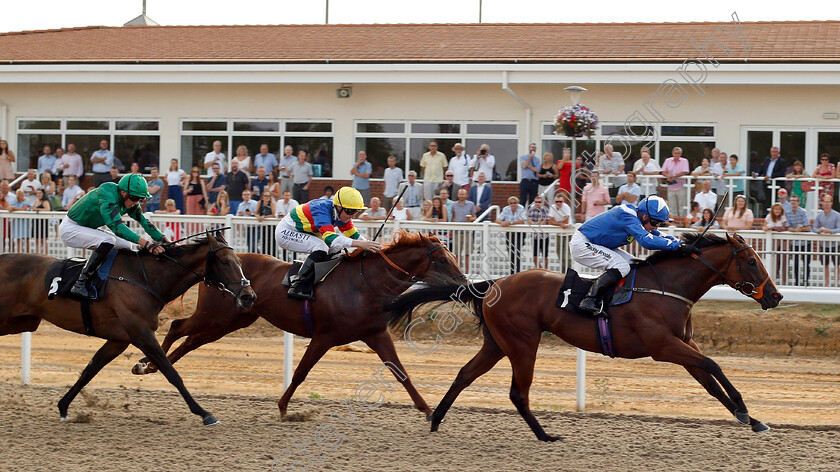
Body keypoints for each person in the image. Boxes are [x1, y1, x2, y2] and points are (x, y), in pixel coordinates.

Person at [570, 195, 695, 315]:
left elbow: (658, 235)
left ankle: (616, 297)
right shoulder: (627, 215)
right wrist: (678, 247)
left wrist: (681, 243)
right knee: (621, 266)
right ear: (645, 216)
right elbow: (647, 240)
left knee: (635, 264)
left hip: (598, 245)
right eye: (655, 222)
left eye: (660, 223)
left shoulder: (640, 219)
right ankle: (589, 300)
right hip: (583, 243)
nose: (656, 226)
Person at [58, 174, 166, 298]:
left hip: (86, 228)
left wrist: (163, 238)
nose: (137, 202)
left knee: (127, 245)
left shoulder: (129, 200)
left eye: (140, 199)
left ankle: (109, 278)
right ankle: (80, 283)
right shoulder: (107, 193)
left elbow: (144, 221)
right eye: (135, 198)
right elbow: (117, 227)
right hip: (70, 228)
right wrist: (147, 244)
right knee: (108, 240)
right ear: (124, 192)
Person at [275, 186, 381, 300]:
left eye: (356, 211)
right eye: (350, 211)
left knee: (334, 250)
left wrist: (374, 247)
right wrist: (361, 245)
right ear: (339, 207)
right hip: (287, 232)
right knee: (321, 246)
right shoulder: (321, 209)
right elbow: (332, 240)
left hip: (307, 232)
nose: (352, 216)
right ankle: (298, 285)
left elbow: (355, 236)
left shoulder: (342, 214)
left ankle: (320, 279)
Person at [495, 196, 526, 275]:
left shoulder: (521, 208)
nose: (513, 204)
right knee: (510, 252)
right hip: (510, 233)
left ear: (517, 203)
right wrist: (502, 222)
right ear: (509, 204)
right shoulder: (506, 209)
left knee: (517, 252)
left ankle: (517, 272)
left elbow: (523, 221)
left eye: (515, 203)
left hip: (519, 233)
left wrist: (510, 223)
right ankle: (512, 272)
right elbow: (497, 220)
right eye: (511, 203)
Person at [785, 194, 811, 286]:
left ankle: (806, 281)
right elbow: (787, 227)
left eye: (795, 200)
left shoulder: (803, 212)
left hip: (805, 241)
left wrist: (800, 229)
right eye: (791, 200)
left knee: (806, 262)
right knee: (795, 263)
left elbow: (807, 227)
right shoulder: (788, 212)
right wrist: (795, 230)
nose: (793, 202)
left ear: (798, 202)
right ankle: (797, 282)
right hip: (795, 241)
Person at [814, 195, 840, 286]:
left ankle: (836, 283)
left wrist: (831, 231)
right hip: (824, 245)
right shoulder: (819, 215)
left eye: (828, 202)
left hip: (835, 245)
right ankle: (827, 284)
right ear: (823, 204)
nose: (827, 204)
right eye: (825, 202)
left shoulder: (837, 215)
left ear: (831, 203)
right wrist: (819, 230)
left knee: (837, 265)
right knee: (825, 265)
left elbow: (839, 229)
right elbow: (814, 228)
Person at [660, 147, 690, 217]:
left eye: (678, 153)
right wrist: (668, 176)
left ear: (681, 154)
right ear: (672, 153)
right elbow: (663, 171)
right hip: (671, 187)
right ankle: (674, 222)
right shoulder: (668, 160)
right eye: (675, 153)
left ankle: (682, 221)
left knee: (682, 206)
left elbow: (685, 171)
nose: (677, 154)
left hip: (681, 186)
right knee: (672, 206)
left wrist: (675, 176)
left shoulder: (684, 161)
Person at [528, 196, 550, 269]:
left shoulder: (546, 210)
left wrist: (534, 223)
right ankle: (541, 270)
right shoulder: (531, 210)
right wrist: (538, 223)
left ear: (542, 203)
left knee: (545, 256)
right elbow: (528, 221)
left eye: (539, 202)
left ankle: (545, 270)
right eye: (536, 202)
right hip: (535, 236)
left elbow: (544, 222)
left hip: (544, 236)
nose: (538, 204)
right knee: (535, 257)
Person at [255, 190, 276, 255]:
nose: (267, 197)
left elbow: (273, 214)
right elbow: (256, 213)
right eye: (265, 196)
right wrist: (258, 216)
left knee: (271, 242)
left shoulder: (272, 204)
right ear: (262, 196)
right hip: (263, 225)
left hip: (270, 226)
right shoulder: (260, 203)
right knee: (263, 241)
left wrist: (264, 217)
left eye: (268, 196)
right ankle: (264, 255)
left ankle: (273, 255)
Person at [32, 188, 51, 253]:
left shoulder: (45, 202)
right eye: (37, 193)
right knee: (37, 239)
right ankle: (37, 254)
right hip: (36, 222)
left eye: (40, 193)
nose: (38, 194)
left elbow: (48, 209)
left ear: (43, 194)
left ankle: (45, 254)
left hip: (43, 222)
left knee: (43, 240)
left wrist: (37, 209)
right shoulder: (36, 202)